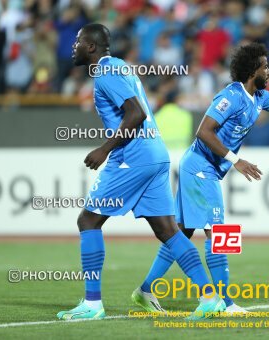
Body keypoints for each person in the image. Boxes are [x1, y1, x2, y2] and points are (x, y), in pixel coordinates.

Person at [138, 43, 269, 313]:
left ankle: (146, 289)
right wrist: (236, 160)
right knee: (219, 234)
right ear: (254, 70)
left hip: (203, 168)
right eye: (265, 66)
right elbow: (204, 131)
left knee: (181, 233)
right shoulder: (231, 96)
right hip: (199, 167)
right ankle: (226, 302)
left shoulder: (260, 97)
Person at [57, 23, 224, 321]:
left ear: (92, 47)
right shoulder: (122, 68)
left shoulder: (106, 74)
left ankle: (92, 304)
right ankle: (209, 297)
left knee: (88, 220)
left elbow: (137, 113)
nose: (74, 46)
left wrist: (104, 149)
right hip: (155, 155)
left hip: (131, 157)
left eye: (79, 41)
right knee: (168, 231)